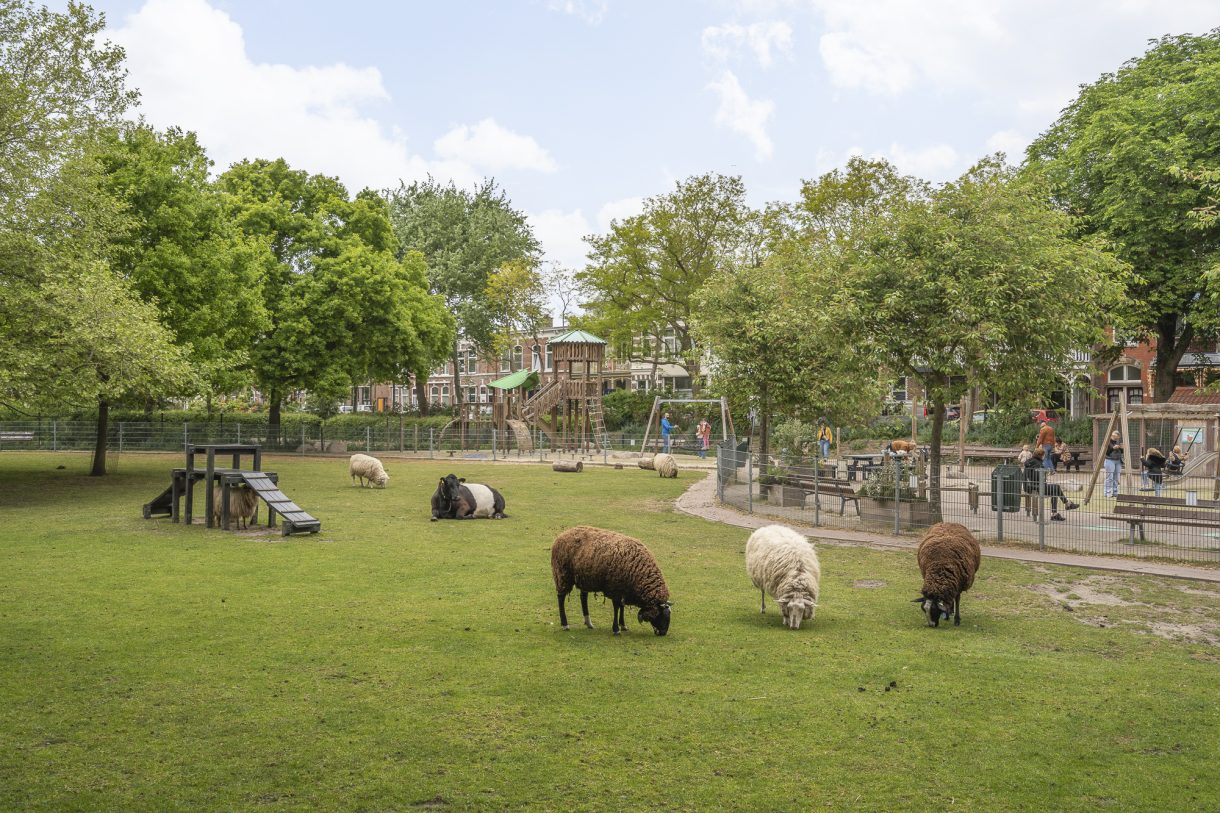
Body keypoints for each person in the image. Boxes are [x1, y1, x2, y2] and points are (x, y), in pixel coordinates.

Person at [1023, 446, 1078, 521]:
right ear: (1041, 455)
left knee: (1055, 489)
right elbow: (1038, 478)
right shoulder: (1038, 464)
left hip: (1028, 486)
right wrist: (1045, 474)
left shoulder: (1029, 461)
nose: (1044, 456)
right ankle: (1064, 506)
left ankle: (1060, 509)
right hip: (1036, 486)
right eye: (1043, 455)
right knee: (1056, 488)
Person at [1103, 431, 1123, 498]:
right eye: (1115, 436)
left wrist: (1121, 448)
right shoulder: (1107, 441)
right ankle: (1107, 492)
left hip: (1118, 461)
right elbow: (1106, 452)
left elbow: (1121, 452)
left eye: (1117, 437)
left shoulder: (1117, 442)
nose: (1116, 438)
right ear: (1112, 435)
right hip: (1109, 460)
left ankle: (1115, 492)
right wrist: (1112, 448)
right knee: (1110, 477)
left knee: (1116, 477)